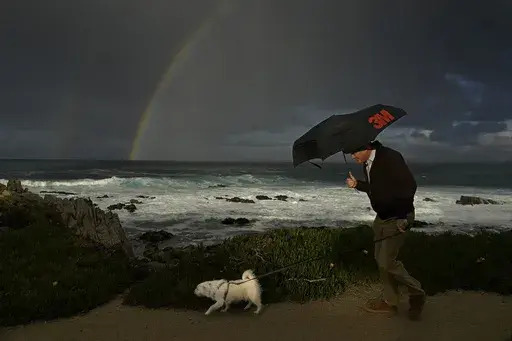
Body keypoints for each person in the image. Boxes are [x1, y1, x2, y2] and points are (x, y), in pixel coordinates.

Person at [345, 140, 426, 321]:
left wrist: (403, 217)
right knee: (380, 260)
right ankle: (391, 302)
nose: (352, 156)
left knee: (386, 261)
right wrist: (358, 184)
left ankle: (417, 293)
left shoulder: (390, 158)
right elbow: (377, 188)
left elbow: (409, 186)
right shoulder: (367, 162)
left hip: (397, 217)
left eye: (354, 152)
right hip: (382, 217)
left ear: (366, 147)